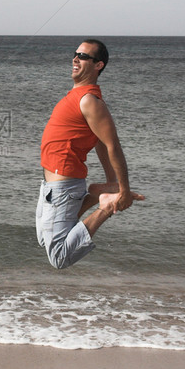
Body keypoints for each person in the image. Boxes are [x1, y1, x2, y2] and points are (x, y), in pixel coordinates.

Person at [36, 39, 144, 269]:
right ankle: (96, 194)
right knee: (44, 239)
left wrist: (122, 190)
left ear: (98, 65)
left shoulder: (89, 101)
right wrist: (110, 182)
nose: (76, 59)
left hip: (63, 186)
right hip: (50, 186)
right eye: (75, 54)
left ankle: (104, 206)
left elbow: (112, 145)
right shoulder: (77, 96)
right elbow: (99, 144)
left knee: (59, 257)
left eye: (84, 56)